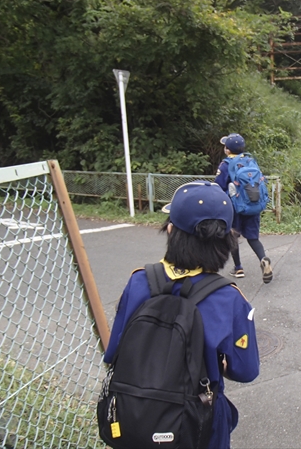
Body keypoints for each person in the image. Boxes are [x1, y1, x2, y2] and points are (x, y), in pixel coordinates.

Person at [103, 181, 260, 449]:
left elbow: (112, 354)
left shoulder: (139, 281)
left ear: (171, 230)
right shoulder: (229, 298)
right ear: (226, 240)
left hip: (134, 415)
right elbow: (246, 370)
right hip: (197, 424)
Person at [214, 133, 273, 284]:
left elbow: (219, 186)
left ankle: (238, 268)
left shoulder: (226, 164)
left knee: (233, 235)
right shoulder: (250, 160)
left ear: (227, 150)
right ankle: (264, 259)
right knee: (253, 238)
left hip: (234, 207)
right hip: (253, 205)